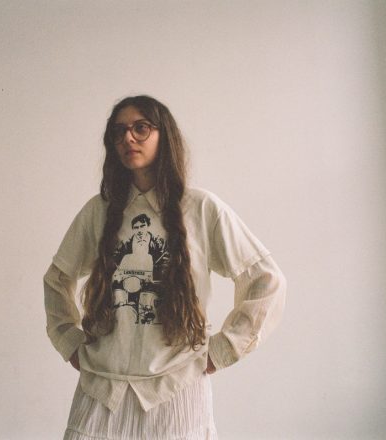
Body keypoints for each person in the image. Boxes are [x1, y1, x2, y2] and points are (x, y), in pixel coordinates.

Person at [44, 95, 287, 440]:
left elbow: (266, 280)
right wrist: (69, 341)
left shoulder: (202, 208)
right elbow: (57, 279)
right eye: (119, 132)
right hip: (102, 389)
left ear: (164, 135)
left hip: (177, 389)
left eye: (141, 128)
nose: (128, 138)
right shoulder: (98, 211)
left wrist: (223, 350)